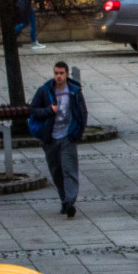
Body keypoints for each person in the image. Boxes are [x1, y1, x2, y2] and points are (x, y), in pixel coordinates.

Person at [28, 61, 87, 218]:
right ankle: (64, 200)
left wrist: (77, 133)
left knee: (69, 170)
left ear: (67, 74)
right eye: (56, 73)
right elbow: (33, 110)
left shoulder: (74, 91)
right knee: (56, 171)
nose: (58, 76)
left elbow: (82, 112)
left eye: (61, 73)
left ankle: (70, 203)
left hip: (68, 136)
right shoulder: (45, 90)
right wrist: (49, 110)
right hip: (51, 138)